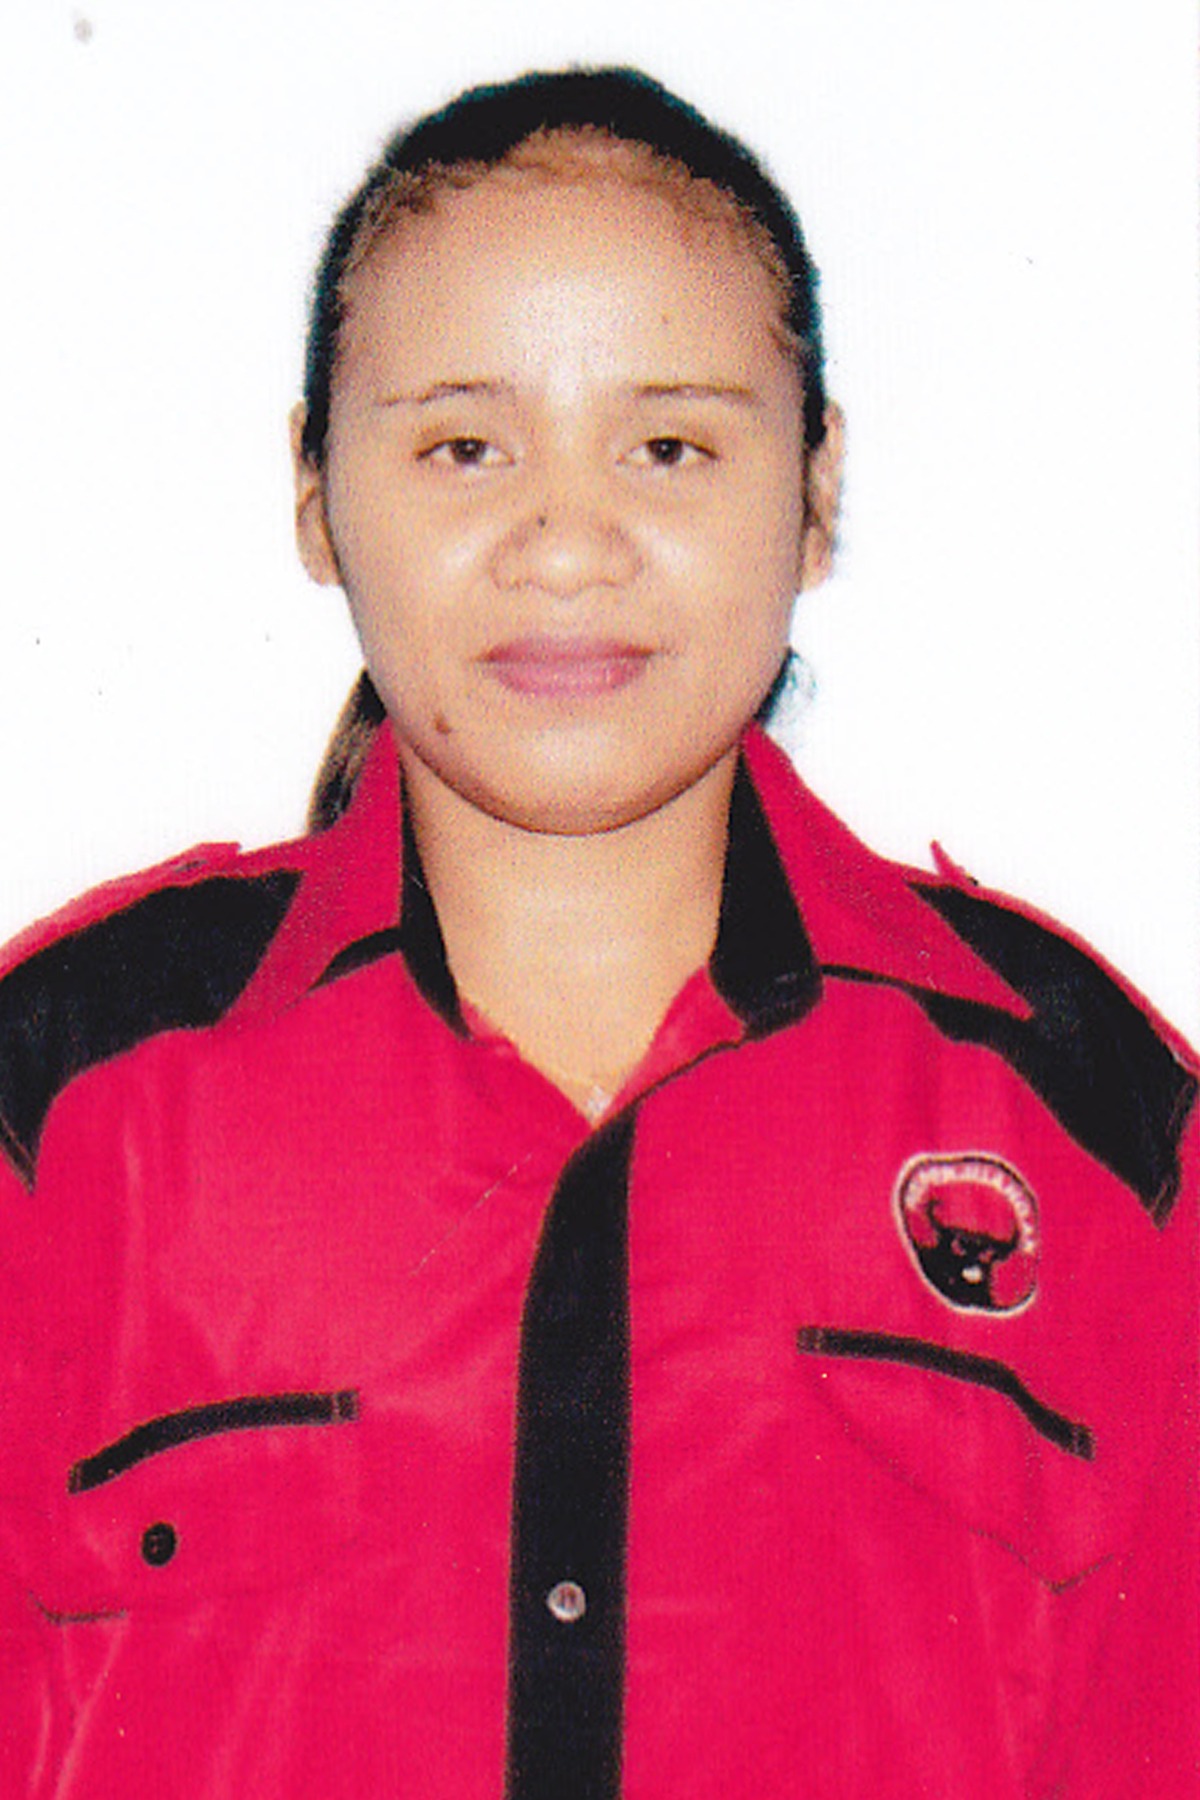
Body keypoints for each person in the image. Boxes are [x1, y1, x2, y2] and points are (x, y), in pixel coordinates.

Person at [0, 65, 1194, 1800]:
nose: (566, 547)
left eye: (670, 447)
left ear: (818, 486)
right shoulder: (59, 1102)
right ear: (317, 489)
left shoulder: (1092, 1122)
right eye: (464, 447)